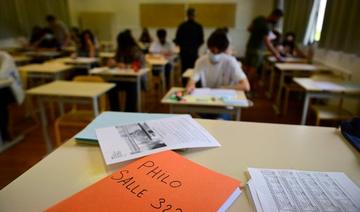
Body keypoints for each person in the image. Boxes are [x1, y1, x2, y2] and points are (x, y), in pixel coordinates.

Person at [243, 9, 284, 92]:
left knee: (246, 70)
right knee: (252, 71)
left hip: (249, 47)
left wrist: (257, 32)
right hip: (258, 50)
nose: (277, 20)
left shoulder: (259, 19)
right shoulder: (267, 26)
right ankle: (245, 89)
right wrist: (277, 54)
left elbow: (249, 29)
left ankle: (248, 88)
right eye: (278, 19)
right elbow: (267, 42)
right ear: (275, 16)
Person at [107, 29, 145, 112]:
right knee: (110, 86)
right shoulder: (120, 50)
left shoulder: (135, 50)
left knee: (132, 87)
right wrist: (112, 62)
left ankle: (129, 111)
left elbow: (140, 65)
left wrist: (126, 66)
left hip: (135, 79)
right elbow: (116, 61)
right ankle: (115, 111)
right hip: (121, 78)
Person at [175, 8, 204, 86]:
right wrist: (195, 47)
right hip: (193, 52)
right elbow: (201, 41)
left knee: (184, 70)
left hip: (184, 52)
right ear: (195, 15)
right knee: (194, 70)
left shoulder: (181, 26)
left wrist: (183, 46)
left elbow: (177, 40)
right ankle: (193, 87)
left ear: (187, 15)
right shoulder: (198, 26)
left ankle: (185, 87)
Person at [0, 51, 25, 141]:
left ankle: (4, 133)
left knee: (1, 103)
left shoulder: (5, 58)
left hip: (10, 90)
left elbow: (2, 74)